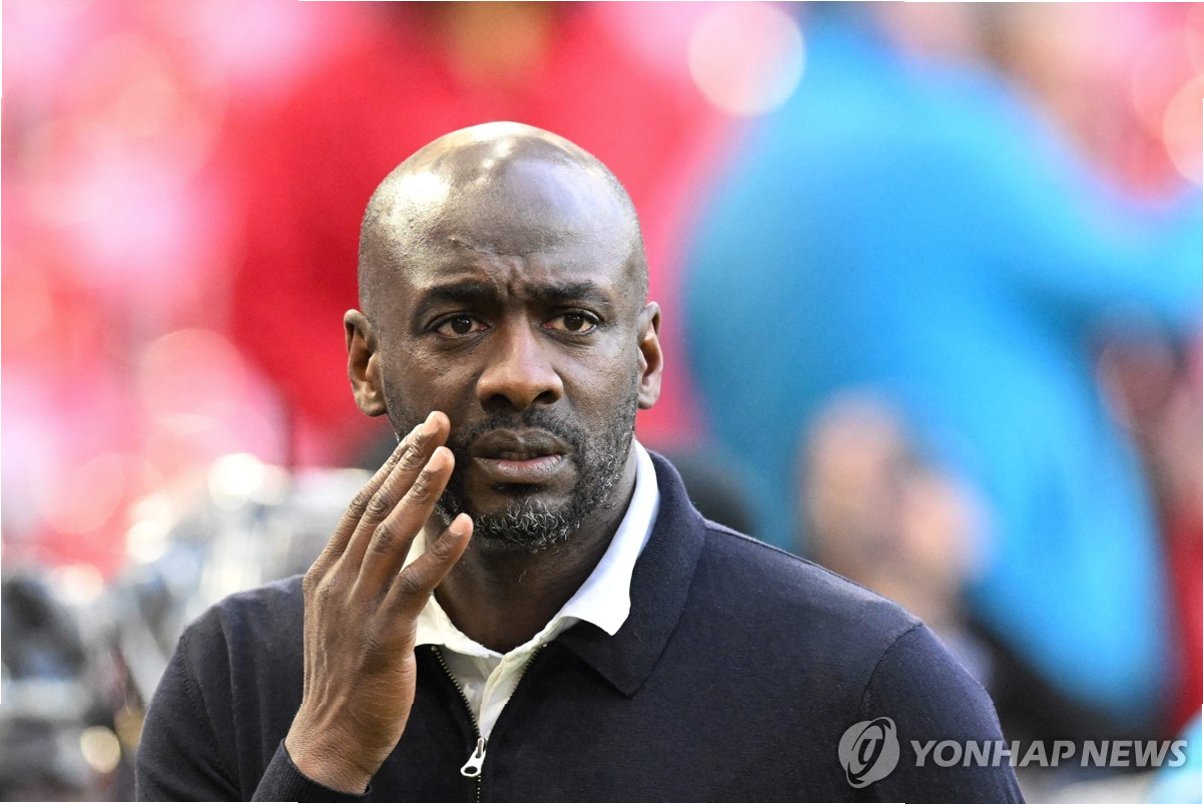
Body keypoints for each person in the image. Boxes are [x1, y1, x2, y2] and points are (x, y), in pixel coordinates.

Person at [135, 123, 1023, 801]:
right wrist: (323, 758)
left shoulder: (869, 685)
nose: (522, 376)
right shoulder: (236, 675)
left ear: (646, 358)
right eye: (459, 322)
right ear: (368, 364)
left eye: (573, 321)